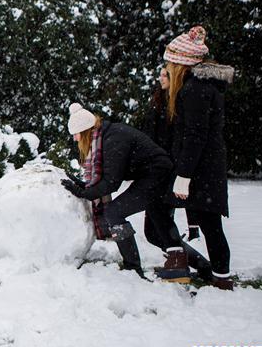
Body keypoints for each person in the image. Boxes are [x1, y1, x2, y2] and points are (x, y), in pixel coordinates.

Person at [61, 103, 189, 282]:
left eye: (76, 134)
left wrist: (83, 193)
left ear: (85, 131)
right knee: (154, 233)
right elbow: (107, 178)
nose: (75, 139)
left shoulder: (112, 140)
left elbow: (111, 183)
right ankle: (200, 267)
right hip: (155, 175)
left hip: (157, 176)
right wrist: (82, 186)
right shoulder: (106, 136)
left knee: (114, 211)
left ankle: (132, 269)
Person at [162, 26, 235, 290]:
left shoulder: (194, 90)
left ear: (181, 62)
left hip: (202, 169)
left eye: (170, 62)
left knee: (210, 224)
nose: (168, 67)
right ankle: (219, 275)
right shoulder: (201, 86)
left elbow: (195, 136)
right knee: (207, 223)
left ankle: (222, 279)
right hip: (205, 166)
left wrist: (183, 175)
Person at [140, 67, 213, 280]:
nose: (161, 78)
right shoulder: (158, 101)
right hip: (155, 167)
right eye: (160, 74)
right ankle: (199, 263)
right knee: (153, 231)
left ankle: (179, 260)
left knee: (158, 220)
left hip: (165, 171)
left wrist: (167, 167)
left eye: (166, 75)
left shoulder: (177, 106)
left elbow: (177, 140)